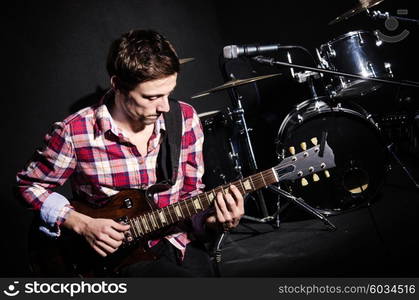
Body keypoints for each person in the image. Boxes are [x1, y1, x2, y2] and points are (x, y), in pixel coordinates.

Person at [16, 29, 244, 277]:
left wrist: (215, 221)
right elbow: (27, 186)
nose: (165, 106)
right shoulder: (75, 131)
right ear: (118, 85)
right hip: (113, 259)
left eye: (169, 93)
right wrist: (82, 224)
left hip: (178, 241)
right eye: (152, 96)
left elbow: (191, 196)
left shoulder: (185, 118)